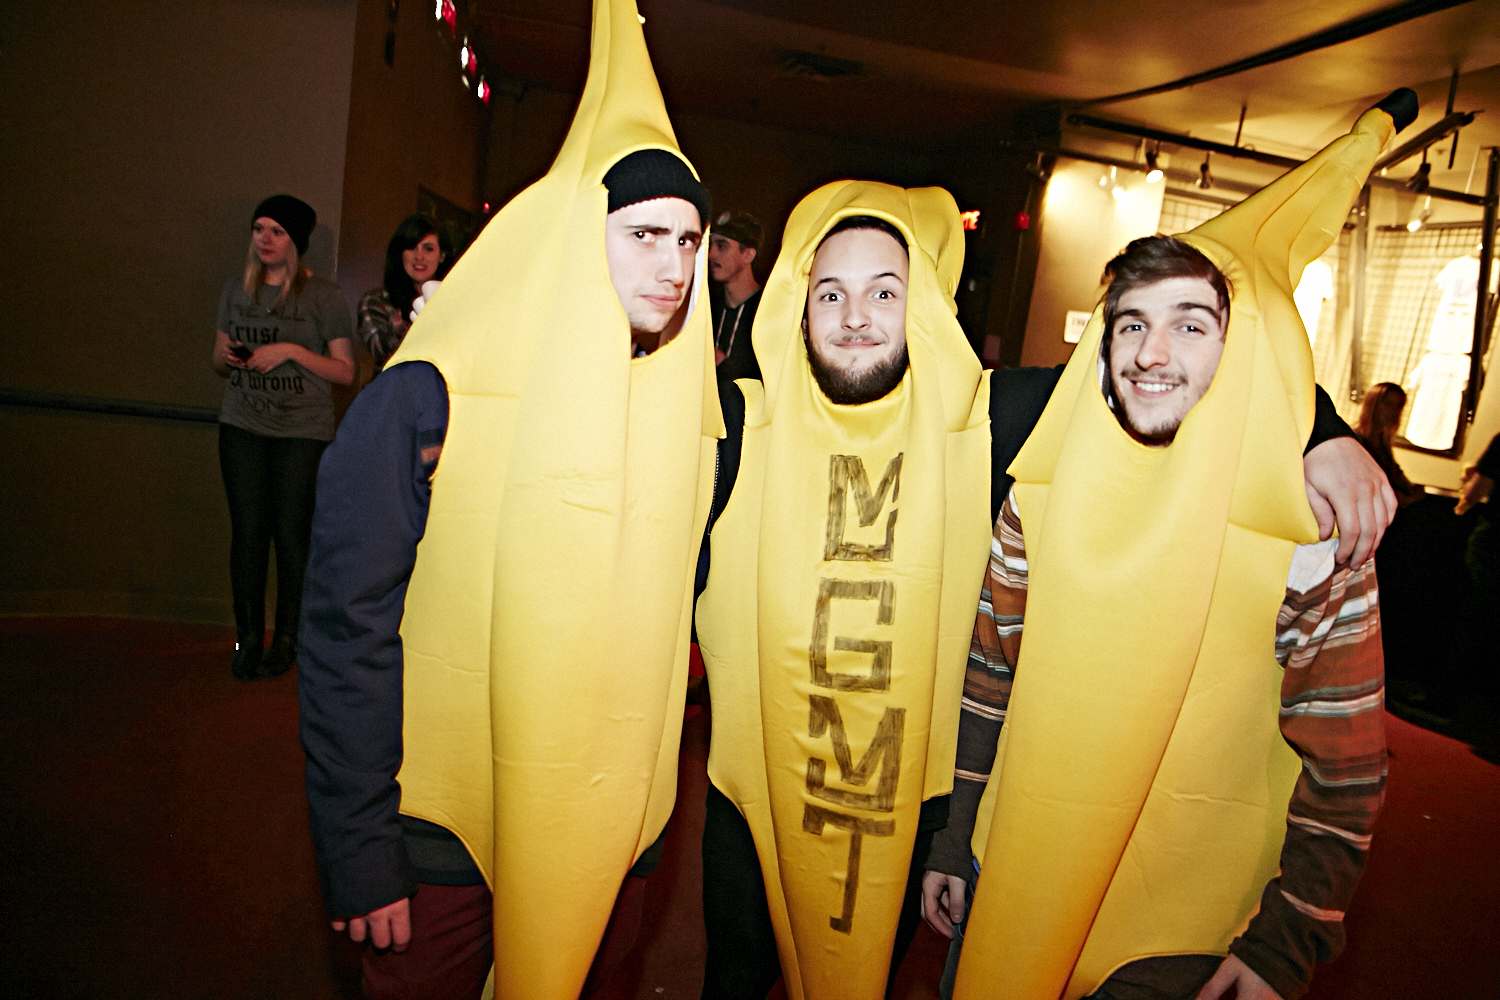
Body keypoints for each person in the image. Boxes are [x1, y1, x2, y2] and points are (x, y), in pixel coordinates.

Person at [693, 179, 1395, 999]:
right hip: (758, 799)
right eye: (831, 293)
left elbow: (1158, 376)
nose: (856, 318)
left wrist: (1321, 429)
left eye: (886, 292)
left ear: (921, 305)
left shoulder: (989, 419)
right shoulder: (738, 425)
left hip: (906, 802)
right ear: (796, 306)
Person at [924, 92, 1416, 1000]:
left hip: (1173, 930)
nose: (1154, 352)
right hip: (1012, 876)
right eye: (1132, 325)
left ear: (1239, 349)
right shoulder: (1039, 496)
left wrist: (1288, 938)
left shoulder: (1309, 530)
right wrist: (955, 839)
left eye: (1193, 324)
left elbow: (1347, 765)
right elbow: (989, 680)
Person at [298, 2, 719, 998]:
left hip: (611, 824)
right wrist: (360, 849)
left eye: (692, 240)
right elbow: (345, 632)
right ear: (576, 232)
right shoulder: (426, 393)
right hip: (444, 827)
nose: (675, 266)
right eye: (647, 233)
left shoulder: (682, 414)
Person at [211, 194, 353, 681]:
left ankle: (287, 640)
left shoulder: (325, 297)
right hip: (242, 425)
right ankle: (245, 638)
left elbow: (344, 370)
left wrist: (290, 350)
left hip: (301, 432)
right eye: (258, 229)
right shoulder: (236, 289)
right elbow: (214, 360)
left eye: (275, 232)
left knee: (291, 536)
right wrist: (228, 356)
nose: (264, 240)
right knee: (248, 534)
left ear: (295, 241)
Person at [357, 215, 453, 369]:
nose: (419, 256)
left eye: (428, 248)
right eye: (411, 247)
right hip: (395, 387)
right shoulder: (378, 299)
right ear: (400, 253)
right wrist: (394, 331)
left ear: (442, 255)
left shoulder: (453, 298)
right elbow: (374, 348)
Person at [708, 209, 764, 381]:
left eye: (722, 246)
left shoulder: (767, 312)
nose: (711, 254)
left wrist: (725, 366)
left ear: (747, 254)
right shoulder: (708, 306)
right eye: (710, 245)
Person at [1355, 381, 1423, 505]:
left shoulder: (1382, 444)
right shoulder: (1355, 440)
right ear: (1372, 405)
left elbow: (1398, 478)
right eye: (1388, 404)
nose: (1394, 411)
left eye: (1398, 406)